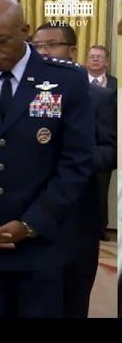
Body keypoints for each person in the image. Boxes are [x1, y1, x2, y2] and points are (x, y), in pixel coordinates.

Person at [0, 0, 95, 318]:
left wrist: (30, 224)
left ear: (24, 32)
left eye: (0, 41)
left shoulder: (66, 80)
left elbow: (77, 161)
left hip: (42, 242)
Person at [31, 22, 117, 317]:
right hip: (32, 218)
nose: (43, 52)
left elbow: (111, 151)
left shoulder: (101, 98)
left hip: (78, 220)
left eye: (51, 45)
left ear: (72, 50)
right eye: (38, 46)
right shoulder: (27, 95)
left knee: (72, 301)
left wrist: (73, 159)